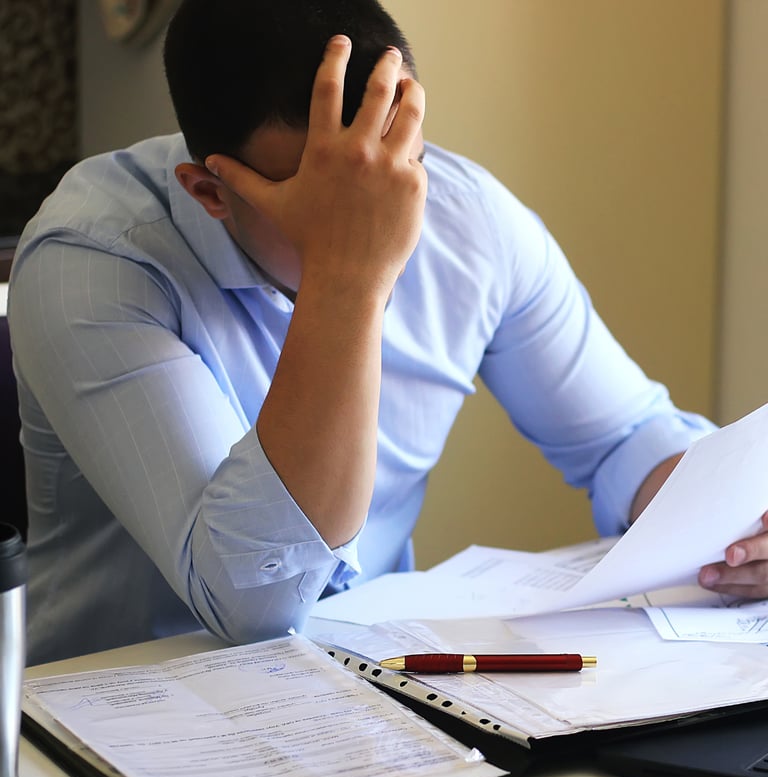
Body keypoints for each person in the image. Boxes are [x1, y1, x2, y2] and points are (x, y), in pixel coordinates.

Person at [8, 0, 768, 666]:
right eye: (323, 193)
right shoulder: (93, 261)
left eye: (397, 157)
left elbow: (625, 436)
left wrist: (738, 525)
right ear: (211, 191)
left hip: (371, 690)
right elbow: (251, 600)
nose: (379, 202)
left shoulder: (466, 218)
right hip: (112, 728)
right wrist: (349, 278)